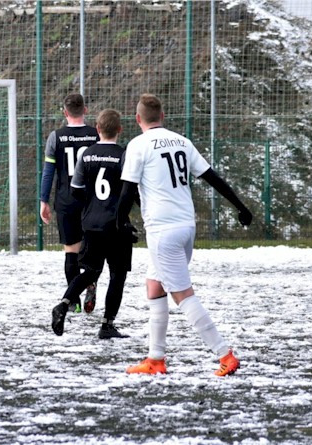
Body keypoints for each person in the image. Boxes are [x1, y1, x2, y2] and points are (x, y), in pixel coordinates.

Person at [117, 94, 253, 376]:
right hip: (185, 227)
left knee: (182, 295)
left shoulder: (138, 145)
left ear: (138, 119)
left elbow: (127, 189)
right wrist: (241, 206)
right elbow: (212, 177)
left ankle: (225, 355)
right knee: (155, 287)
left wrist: (121, 222)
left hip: (162, 231)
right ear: (163, 116)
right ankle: (155, 359)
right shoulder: (182, 141)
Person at [51, 109, 138, 339]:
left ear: (97, 129)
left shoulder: (86, 155)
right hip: (117, 225)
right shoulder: (123, 155)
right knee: (117, 275)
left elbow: (76, 189)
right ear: (119, 129)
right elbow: (131, 190)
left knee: (90, 271)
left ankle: (64, 303)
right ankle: (107, 324)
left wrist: (91, 207)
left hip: (91, 224)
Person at [40, 93, 99, 313]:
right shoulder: (96, 135)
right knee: (92, 251)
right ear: (85, 109)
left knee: (71, 252)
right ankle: (90, 283)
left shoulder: (56, 137)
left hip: (66, 201)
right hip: (92, 202)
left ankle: (73, 301)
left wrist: (43, 200)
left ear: (65, 113)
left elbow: (49, 172)